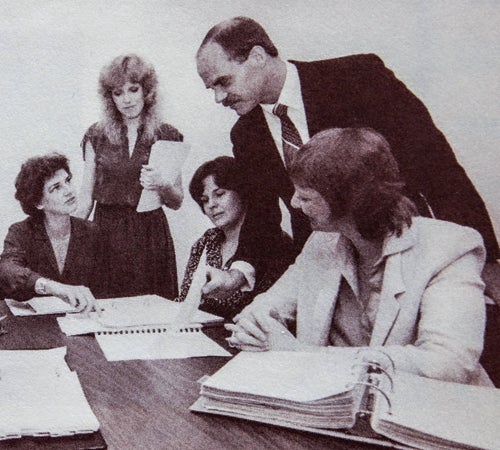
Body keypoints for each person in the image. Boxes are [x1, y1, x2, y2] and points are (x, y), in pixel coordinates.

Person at [194, 16, 500, 292]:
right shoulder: (246, 134)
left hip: (407, 256)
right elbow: (261, 213)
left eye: (223, 81)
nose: (219, 97)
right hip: (329, 274)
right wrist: (238, 272)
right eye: (212, 89)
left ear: (257, 56)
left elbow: (439, 169)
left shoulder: (359, 79)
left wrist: (484, 259)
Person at [226, 128, 492, 386]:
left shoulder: (449, 247)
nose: (294, 203)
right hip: (340, 410)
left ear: (349, 200)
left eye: (305, 196)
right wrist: (253, 327)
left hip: (432, 417)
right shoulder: (320, 243)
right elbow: (264, 308)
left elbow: (447, 364)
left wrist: (301, 354)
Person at [76, 53, 184, 300]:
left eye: (133, 90)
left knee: (152, 314)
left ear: (147, 91)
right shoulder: (96, 135)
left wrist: (162, 184)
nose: (126, 99)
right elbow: (85, 199)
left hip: (150, 235)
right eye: (117, 92)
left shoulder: (167, 134)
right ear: (109, 97)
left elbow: (177, 201)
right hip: (106, 234)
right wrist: (66, 238)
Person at [176, 156, 293, 320]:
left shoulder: (274, 243)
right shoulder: (205, 241)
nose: (211, 205)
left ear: (242, 192)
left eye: (219, 194)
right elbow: (184, 300)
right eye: (205, 200)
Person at [0, 153, 104, 311]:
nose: (68, 190)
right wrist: (53, 287)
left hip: (83, 321)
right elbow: (7, 271)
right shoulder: (21, 232)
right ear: (38, 202)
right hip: (37, 326)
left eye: (67, 181)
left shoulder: (91, 231)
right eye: (56, 187)